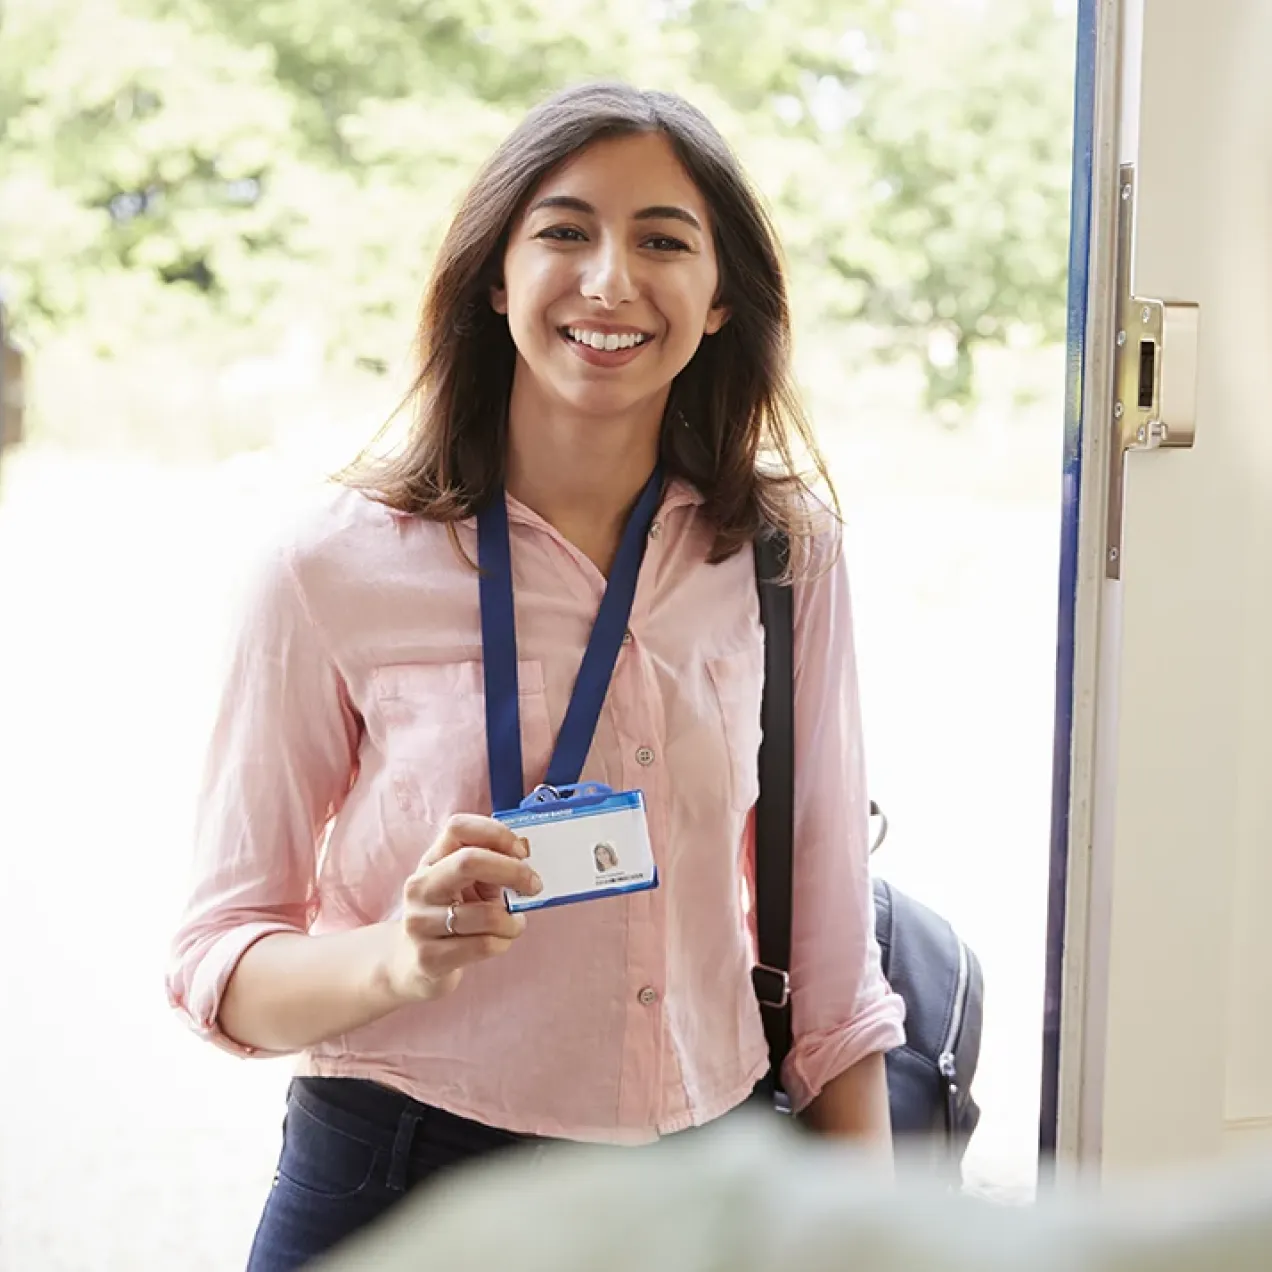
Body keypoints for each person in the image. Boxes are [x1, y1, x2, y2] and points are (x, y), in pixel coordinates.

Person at [165, 79, 904, 1272]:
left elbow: (827, 959)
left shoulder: (779, 556)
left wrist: (875, 1239)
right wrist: (393, 958)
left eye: (663, 239)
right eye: (564, 231)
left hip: (693, 1187)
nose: (610, 279)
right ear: (494, 279)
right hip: (401, 1178)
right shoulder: (323, 568)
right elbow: (219, 958)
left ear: (720, 302)